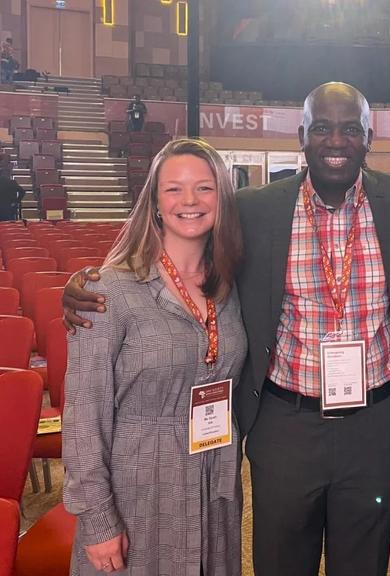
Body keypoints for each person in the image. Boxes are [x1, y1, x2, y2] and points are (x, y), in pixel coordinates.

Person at [64, 83, 390, 576]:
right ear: (301, 136)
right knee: (280, 562)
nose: (335, 141)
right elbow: (175, 243)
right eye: (322, 128)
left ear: (369, 137)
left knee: (364, 562)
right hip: (284, 423)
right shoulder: (256, 209)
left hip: (374, 422)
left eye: (350, 129)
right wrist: (84, 283)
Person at [62, 139, 246, 575]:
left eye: (204, 188)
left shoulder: (232, 286)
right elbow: (83, 414)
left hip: (214, 478)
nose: (189, 201)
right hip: (138, 484)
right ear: (156, 203)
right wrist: (97, 517)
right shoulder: (109, 290)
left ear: (222, 198)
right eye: (174, 189)